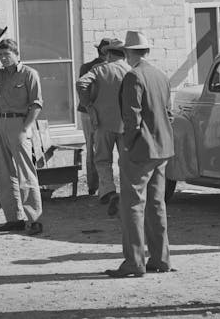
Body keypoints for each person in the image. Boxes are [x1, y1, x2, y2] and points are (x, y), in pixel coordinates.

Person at [104, 30, 174, 278]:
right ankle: (160, 258)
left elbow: (131, 117)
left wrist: (128, 144)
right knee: (156, 204)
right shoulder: (160, 75)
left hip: (141, 148)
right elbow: (168, 111)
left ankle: (134, 262)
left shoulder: (134, 76)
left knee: (132, 205)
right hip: (162, 147)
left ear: (127, 52)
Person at [0, 33, 45, 235]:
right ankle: (14, 218)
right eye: (1, 54)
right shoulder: (1, 74)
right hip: (0, 123)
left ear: (16, 54)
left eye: (7, 54)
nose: (3, 58)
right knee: (4, 174)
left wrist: (26, 128)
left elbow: (37, 103)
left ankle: (35, 219)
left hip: (19, 124)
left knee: (26, 173)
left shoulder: (29, 74)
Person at [76, 38, 129, 215]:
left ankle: (108, 191)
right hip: (125, 123)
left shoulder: (99, 69)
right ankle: (128, 193)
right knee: (126, 160)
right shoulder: (130, 71)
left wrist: (89, 106)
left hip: (103, 122)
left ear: (108, 53)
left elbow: (81, 83)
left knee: (103, 159)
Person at [77, 38, 112, 197]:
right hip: (97, 111)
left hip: (88, 111)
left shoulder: (87, 67)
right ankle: (101, 186)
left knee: (92, 148)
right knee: (100, 148)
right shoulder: (106, 68)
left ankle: (94, 186)